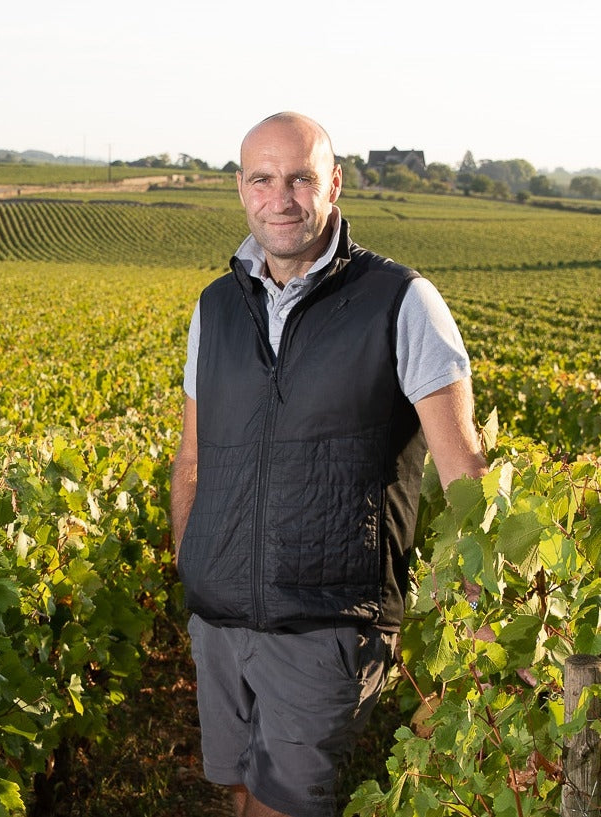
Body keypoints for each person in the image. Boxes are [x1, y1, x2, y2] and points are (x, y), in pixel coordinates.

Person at [170, 112, 487, 817]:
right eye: (263, 179)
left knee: (284, 805)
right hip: (220, 619)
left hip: (329, 621)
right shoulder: (215, 307)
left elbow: (465, 472)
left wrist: (485, 617)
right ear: (241, 189)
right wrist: (194, 566)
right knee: (242, 790)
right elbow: (191, 456)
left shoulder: (401, 302)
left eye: (301, 178)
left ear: (334, 184)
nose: (281, 197)